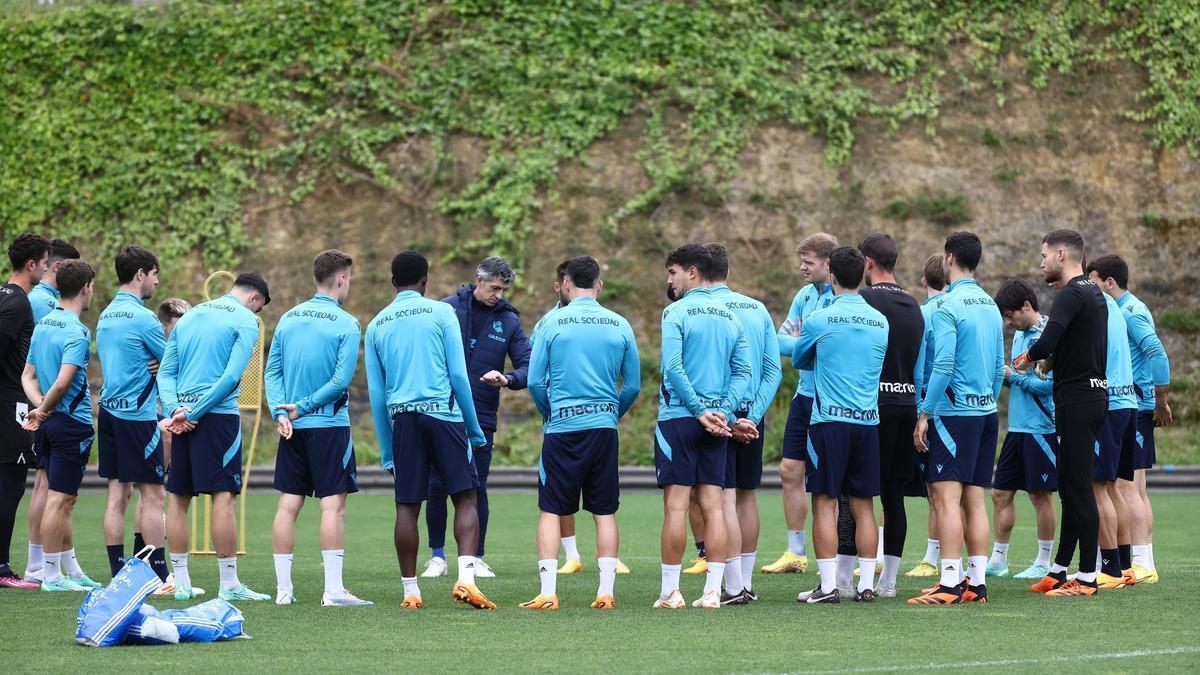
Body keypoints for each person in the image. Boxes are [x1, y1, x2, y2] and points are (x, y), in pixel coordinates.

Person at [365, 251, 493, 610]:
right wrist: (473, 428)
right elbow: (457, 376)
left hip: (403, 419)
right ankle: (466, 580)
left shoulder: (376, 324)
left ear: (393, 282)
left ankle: (411, 591)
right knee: (465, 496)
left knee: (407, 506)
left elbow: (377, 394)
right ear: (426, 281)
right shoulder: (442, 312)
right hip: (443, 415)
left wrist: (386, 448)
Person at [522, 256, 640, 610]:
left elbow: (534, 381)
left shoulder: (551, 322)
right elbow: (632, 385)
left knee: (551, 509)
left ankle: (548, 593)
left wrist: (551, 413)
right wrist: (610, 414)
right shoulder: (620, 324)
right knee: (604, 511)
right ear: (599, 285)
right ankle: (606, 592)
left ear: (567, 285)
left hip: (562, 428)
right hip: (603, 428)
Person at [266, 250, 371, 607]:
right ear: (341, 279)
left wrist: (280, 412)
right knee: (332, 508)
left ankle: (283, 590)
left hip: (291, 427)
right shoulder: (346, 323)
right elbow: (341, 380)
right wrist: (306, 407)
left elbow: (273, 371)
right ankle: (333, 591)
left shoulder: (287, 317)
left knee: (287, 505)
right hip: (328, 425)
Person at [158, 272, 272, 602]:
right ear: (254, 298)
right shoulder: (245, 321)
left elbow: (166, 372)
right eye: (260, 307)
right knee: (224, 497)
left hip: (182, 418)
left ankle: (180, 582)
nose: (257, 313)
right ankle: (230, 584)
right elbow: (231, 377)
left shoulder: (190, 316)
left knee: (178, 497)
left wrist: (176, 410)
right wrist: (193, 413)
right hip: (217, 418)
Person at [680, 243, 782, 604]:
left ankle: (733, 586)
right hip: (751, 412)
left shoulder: (700, 309)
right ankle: (745, 584)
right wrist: (752, 415)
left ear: (696, 270)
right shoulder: (756, 308)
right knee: (747, 495)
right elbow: (772, 371)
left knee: (720, 497)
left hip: (715, 415)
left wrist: (724, 413)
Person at [653, 243, 752, 610]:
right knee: (713, 506)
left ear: (691, 271)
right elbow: (744, 373)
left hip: (680, 418)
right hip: (716, 422)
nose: (670, 280)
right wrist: (722, 412)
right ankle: (712, 593)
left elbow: (673, 368)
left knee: (676, 507)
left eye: (673, 272)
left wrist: (697, 410)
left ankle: (670, 593)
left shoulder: (675, 312)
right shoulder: (731, 317)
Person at [909, 231, 1003, 606]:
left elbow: (943, 364)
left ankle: (949, 584)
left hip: (953, 415)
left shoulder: (948, 306)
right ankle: (976, 584)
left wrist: (925, 413)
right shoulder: (991, 305)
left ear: (949, 258)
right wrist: (986, 402)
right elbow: (998, 369)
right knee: (975, 501)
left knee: (947, 499)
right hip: (985, 414)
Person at [421, 257, 531, 579]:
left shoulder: (509, 320)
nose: (498, 294)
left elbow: (528, 365)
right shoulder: (445, 309)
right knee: (437, 485)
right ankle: (438, 556)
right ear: (478, 280)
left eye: (503, 289)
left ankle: (477, 556)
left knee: (476, 486)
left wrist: (508, 379)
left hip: (482, 415)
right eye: (494, 287)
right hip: (442, 412)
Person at [792, 247, 889, 605]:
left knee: (824, 502)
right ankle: (866, 586)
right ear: (863, 273)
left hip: (829, 421)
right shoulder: (880, 321)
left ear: (831, 274)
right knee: (864, 504)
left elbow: (801, 358)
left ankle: (829, 586)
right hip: (867, 421)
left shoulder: (820, 318)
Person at [1017, 229, 1109, 598]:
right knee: (1071, 487)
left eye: (1044, 255)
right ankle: (1059, 569)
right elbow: (1074, 343)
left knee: (1078, 487)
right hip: (1090, 397)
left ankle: (1087, 576)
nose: (1041, 262)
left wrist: (1026, 359)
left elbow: (1048, 339)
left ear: (1061, 254)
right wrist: (1052, 362)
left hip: (1078, 400)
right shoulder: (1093, 291)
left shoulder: (1072, 292)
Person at [844, 233, 924, 599]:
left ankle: (846, 579)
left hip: (871, 406)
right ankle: (888, 581)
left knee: (854, 494)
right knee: (894, 495)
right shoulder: (914, 304)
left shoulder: (863, 300)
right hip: (907, 406)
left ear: (868, 263)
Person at [1086, 254, 1170, 584]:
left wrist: (1161, 400)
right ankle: (1140, 560)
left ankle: (1141, 562)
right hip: (1135, 405)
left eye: (1092, 281)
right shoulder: (1125, 309)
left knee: (1125, 487)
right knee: (1134, 487)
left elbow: (1156, 351)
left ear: (1109, 282)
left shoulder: (1128, 312)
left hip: (1133, 406)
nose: (1088, 287)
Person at [20, 259, 100, 591]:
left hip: (51, 423)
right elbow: (63, 384)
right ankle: (52, 575)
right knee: (60, 499)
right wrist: (46, 408)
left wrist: (40, 409)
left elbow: (28, 376)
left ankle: (69, 570)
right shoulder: (78, 331)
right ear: (85, 288)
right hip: (70, 424)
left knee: (63, 497)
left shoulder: (45, 324)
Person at [761, 233, 838, 576]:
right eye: (802, 261)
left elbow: (834, 348)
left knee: (832, 482)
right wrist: (809, 345)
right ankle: (796, 551)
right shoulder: (804, 296)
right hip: (803, 397)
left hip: (833, 400)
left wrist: (804, 344)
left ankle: (840, 555)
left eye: (808, 262)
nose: (802, 268)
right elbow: (778, 340)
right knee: (789, 471)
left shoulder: (843, 296)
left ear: (828, 263)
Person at [95, 246, 169, 584]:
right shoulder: (144, 318)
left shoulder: (107, 313)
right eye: (154, 275)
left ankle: (118, 574)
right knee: (154, 495)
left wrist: (150, 364)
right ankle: (158, 575)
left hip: (108, 413)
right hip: (137, 417)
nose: (156, 282)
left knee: (117, 495)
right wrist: (157, 367)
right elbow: (172, 363)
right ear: (141, 273)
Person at [988, 279, 1058, 580]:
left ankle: (1043, 561)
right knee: (1000, 492)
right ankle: (999, 560)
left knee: (1040, 496)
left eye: (1009, 314)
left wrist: (1012, 377)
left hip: (1041, 430)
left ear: (1026, 307)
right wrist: (1004, 375)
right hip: (1017, 429)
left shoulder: (1048, 337)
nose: (1007, 322)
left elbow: (1051, 385)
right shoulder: (1019, 335)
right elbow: (1017, 374)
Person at [23, 238, 79, 584]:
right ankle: (42, 566)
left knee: (47, 486)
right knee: (50, 489)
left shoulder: (41, 302)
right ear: (58, 268)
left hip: (41, 406)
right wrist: (42, 408)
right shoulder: (46, 306)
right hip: (51, 410)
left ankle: (54, 565)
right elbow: (51, 369)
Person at [0, 234, 50, 588]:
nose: (47, 268)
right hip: (10, 404)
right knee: (9, 485)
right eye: (45, 262)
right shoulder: (18, 303)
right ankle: (2, 568)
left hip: (8, 401)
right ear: (31, 264)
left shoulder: (4, 294)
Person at [1088, 287, 1138, 588]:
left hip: (1108, 405)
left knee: (1097, 489)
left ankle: (1109, 569)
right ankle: (1124, 565)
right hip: (1127, 403)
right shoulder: (1114, 307)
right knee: (1113, 487)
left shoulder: (1093, 305)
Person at [906, 254, 945, 577]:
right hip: (965, 407)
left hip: (929, 406)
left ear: (923, 281)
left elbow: (919, 365)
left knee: (937, 488)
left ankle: (933, 559)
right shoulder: (971, 307)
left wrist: (920, 410)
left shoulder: (924, 313)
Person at [28, 239, 79, 323]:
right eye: (72, 269)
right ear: (57, 267)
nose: (75, 275)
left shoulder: (41, 296)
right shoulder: (45, 302)